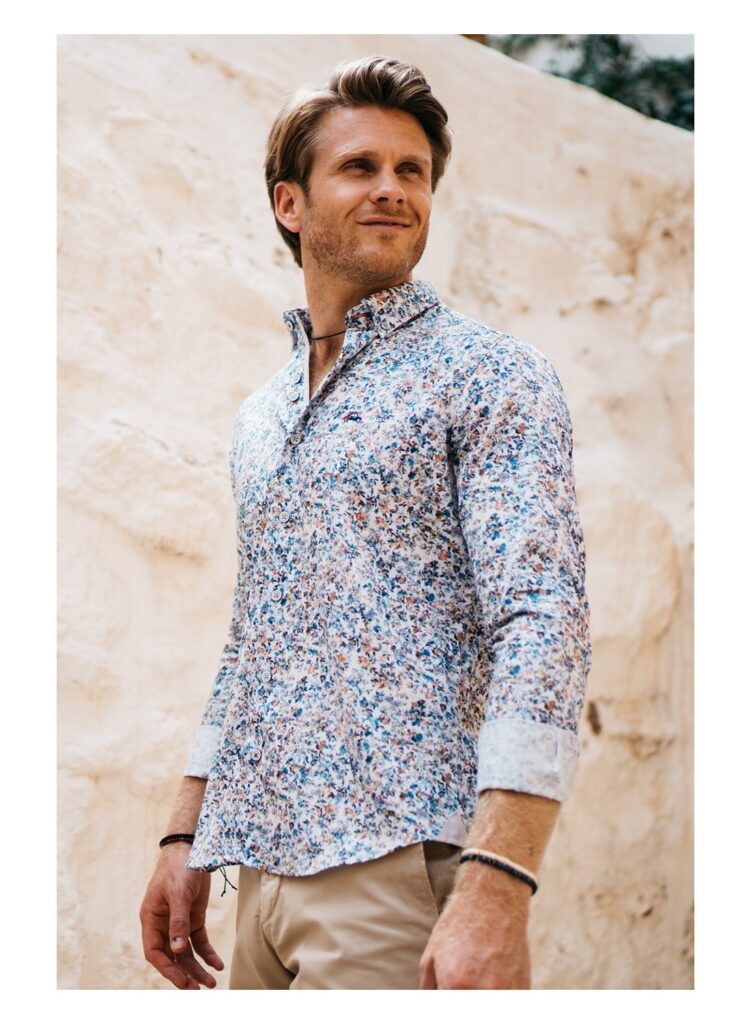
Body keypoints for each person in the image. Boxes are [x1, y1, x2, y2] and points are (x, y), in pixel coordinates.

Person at [140, 54, 591, 990]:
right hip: (256, 879)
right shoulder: (262, 415)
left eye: (411, 171)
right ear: (289, 204)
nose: (392, 188)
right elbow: (253, 640)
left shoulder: (489, 374)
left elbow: (542, 621)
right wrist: (186, 833)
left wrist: (499, 880)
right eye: (359, 167)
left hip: (397, 872)